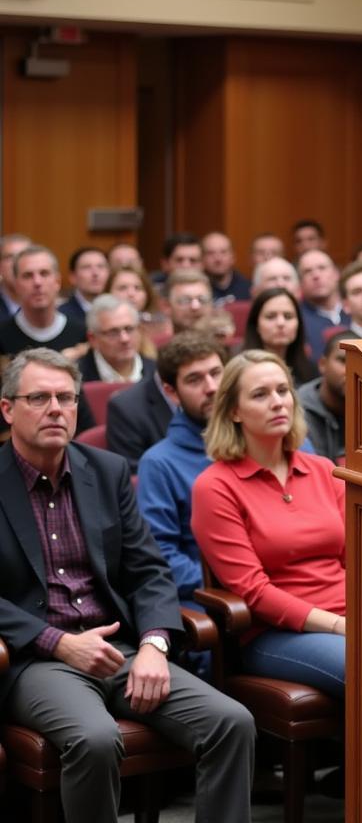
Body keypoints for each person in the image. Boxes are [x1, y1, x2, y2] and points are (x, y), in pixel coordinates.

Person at [0, 348, 255, 823]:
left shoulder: (107, 471)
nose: (56, 409)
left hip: (123, 650)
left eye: (66, 397)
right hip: (37, 660)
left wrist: (155, 644)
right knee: (95, 739)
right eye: (38, 398)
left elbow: (149, 570)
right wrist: (59, 643)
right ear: (7, 408)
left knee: (231, 723)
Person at [191, 350, 347, 700]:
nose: (277, 403)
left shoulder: (321, 469)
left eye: (283, 390)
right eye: (260, 395)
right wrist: (338, 625)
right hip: (275, 633)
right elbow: (253, 591)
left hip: (348, 615)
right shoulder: (215, 486)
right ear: (233, 411)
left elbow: (356, 559)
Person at [136, 332, 227, 604]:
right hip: (214, 599)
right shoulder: (159, 463)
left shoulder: (260, 441)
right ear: (171, 392)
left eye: (216, 373)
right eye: (194, 379)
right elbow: (162, 555)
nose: (211, 387)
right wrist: (234, 584)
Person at [0, 245, 87, 358]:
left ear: (57, 282)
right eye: (28, 276)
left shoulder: (81, 334)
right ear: (16, 285)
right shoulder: (2, 336)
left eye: (44, 273)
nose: (37, 282)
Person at [244, 287, 317, 384]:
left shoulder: (311, 371)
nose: (281, 323)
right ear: (256, 324)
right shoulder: (242, 371)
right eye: (271, 316)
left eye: (288, 316)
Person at [78, 294, 156, 383]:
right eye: (113, 332)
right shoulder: (76, 379)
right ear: (93, 339)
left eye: (129, 329)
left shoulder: (159, 373)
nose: (125, 339)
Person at [297, 332, 347, 462]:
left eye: (359, 361)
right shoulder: (297, 410)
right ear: (323, 364)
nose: (351, 368)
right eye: (343, 361)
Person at [297, 249, 350, 359]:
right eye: (307, 271)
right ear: (300, 282)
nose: (316, 275)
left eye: (322, 268)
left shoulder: (357, 309)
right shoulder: (296, 318)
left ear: (336, 274)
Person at [105, 265, 161, 359]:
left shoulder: (162, 329)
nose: (131, 294)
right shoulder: (100, 330)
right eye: (122, 288)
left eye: (138, 288)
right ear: (107, 293)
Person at [58, 246, 110, 324]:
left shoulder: (119, 312)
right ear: (73, 277)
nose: (95, 273)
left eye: (100, 266)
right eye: (87, 267)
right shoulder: (61, 316)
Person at [202, 231, 251, 303]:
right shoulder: (197, 290)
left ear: (233, 257)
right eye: (211, 253)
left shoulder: (249, 289)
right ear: (202, 258)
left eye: (223, 252)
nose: (218, 258)